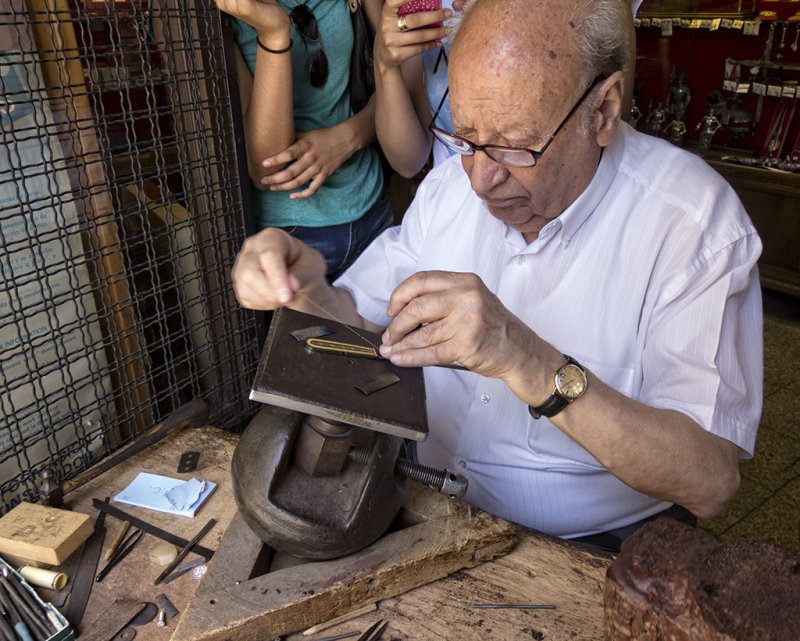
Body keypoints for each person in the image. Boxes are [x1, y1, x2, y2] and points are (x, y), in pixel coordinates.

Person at [231, 0, 763, 553]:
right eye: (464, 138)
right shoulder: (449, 189)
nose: (482, 179)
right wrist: (305, 286)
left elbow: (710, 480)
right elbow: (362, 320)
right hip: (421, 503)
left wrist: (527, 360)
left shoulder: (694, 224)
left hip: (587, 544)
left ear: (603, 111)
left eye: (515, 144)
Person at [214, 0, 392, 281]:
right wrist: (273, 32)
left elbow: (396, 75)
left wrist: (349, 138)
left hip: (372, 206)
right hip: (290, 236)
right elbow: (266, 169)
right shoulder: (213, 14)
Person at [373, 0, 645, 178]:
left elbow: (608, 125)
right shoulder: (423, 6)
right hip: (459, 210)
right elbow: (408, 162)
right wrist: (385, 64)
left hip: (558, 210)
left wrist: (514, 19)